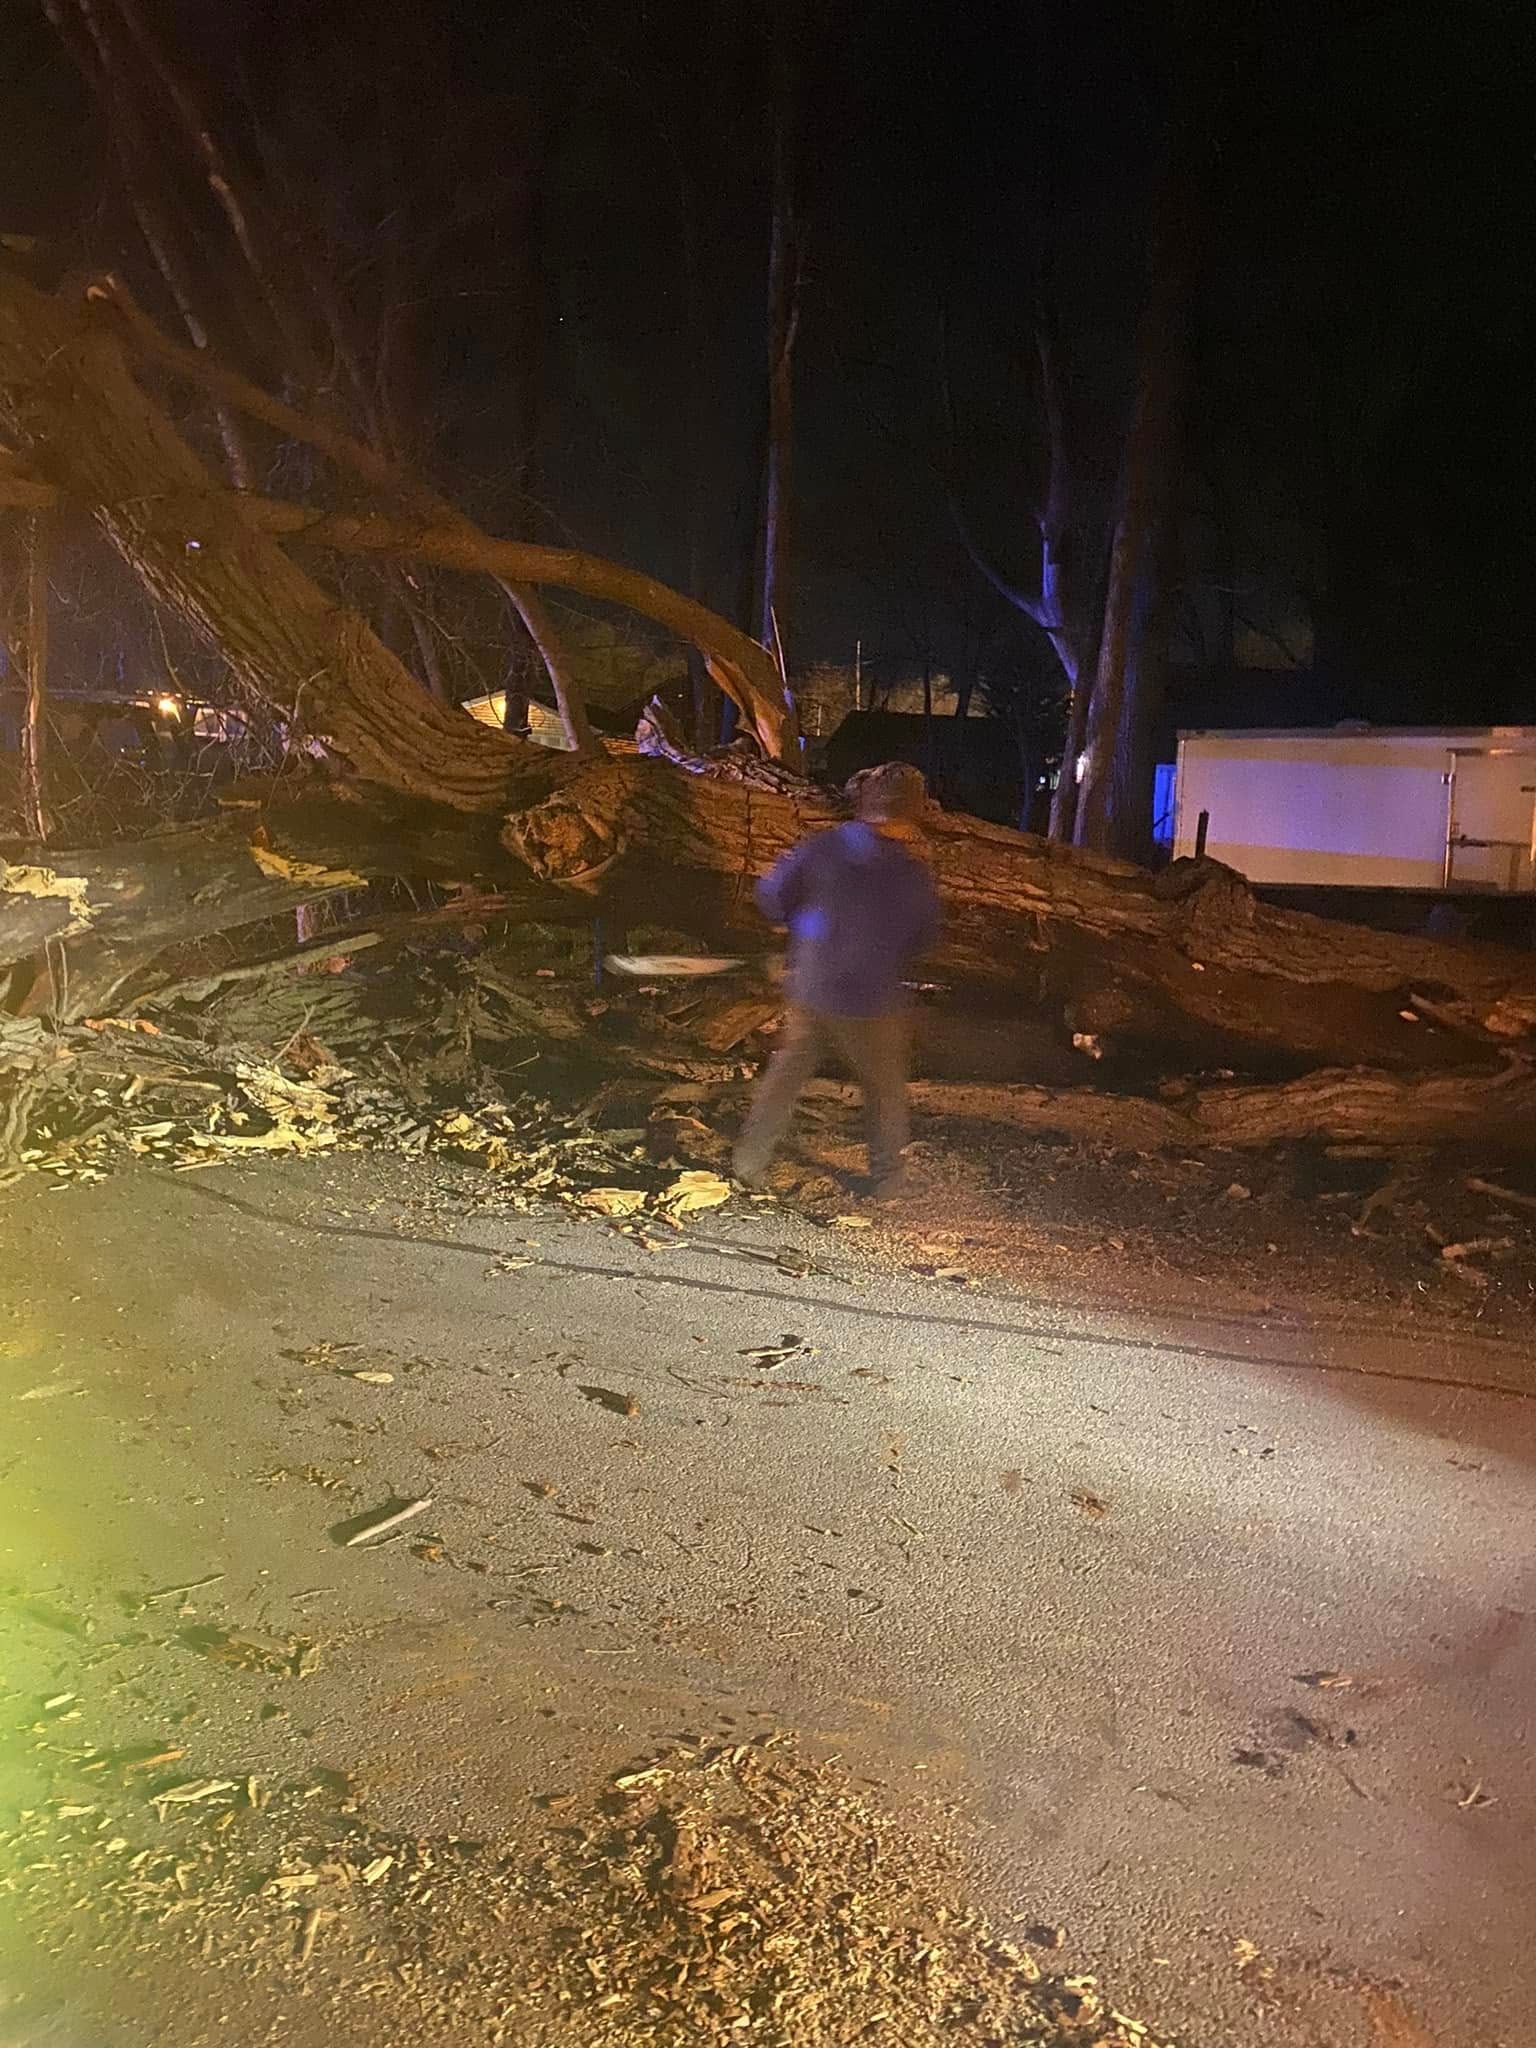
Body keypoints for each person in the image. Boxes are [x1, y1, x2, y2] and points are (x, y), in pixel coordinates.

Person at [733, 761, 941, 1199]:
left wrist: (797, 930)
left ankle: (749, 1162)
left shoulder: (822, 847)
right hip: (872, 999)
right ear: (912, 813)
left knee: (785, 1078)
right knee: (884, 1091)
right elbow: (924, 938)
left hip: (812, 986)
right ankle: (886, 1180)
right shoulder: (912, 874)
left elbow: (771, 895)